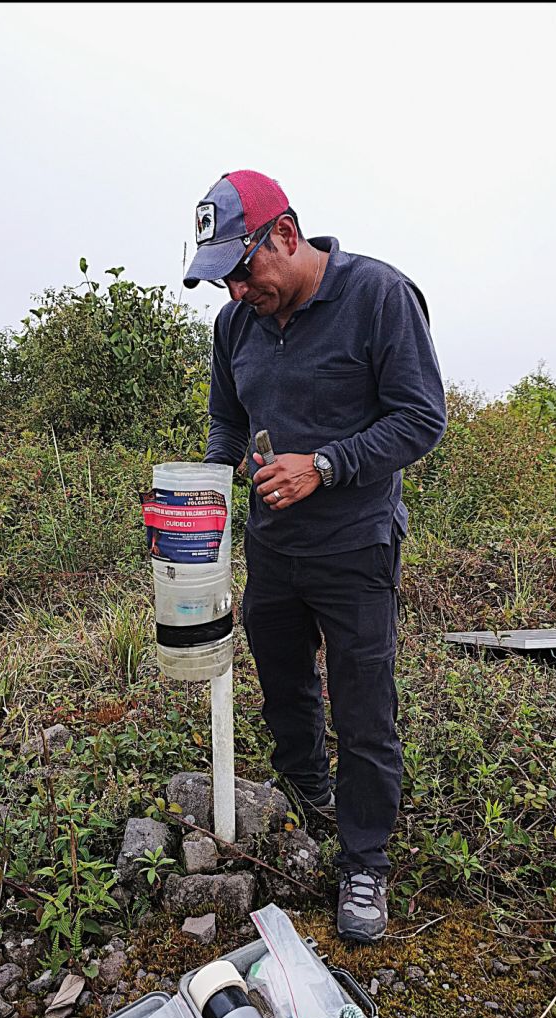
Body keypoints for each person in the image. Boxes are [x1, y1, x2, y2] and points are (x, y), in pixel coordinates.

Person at [183, 169, 446, 943]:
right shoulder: (237, 328)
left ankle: (364, 862)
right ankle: (309, 793)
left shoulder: (379, 297)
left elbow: (421, 419)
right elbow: (227, 425)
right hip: (272, 548)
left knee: (365, 710)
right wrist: (204, 483)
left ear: (286, 236)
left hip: (356, 545)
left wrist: (324, 465)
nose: (235, 292)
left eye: (243, 270)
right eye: (221, 280)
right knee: (286, 688)